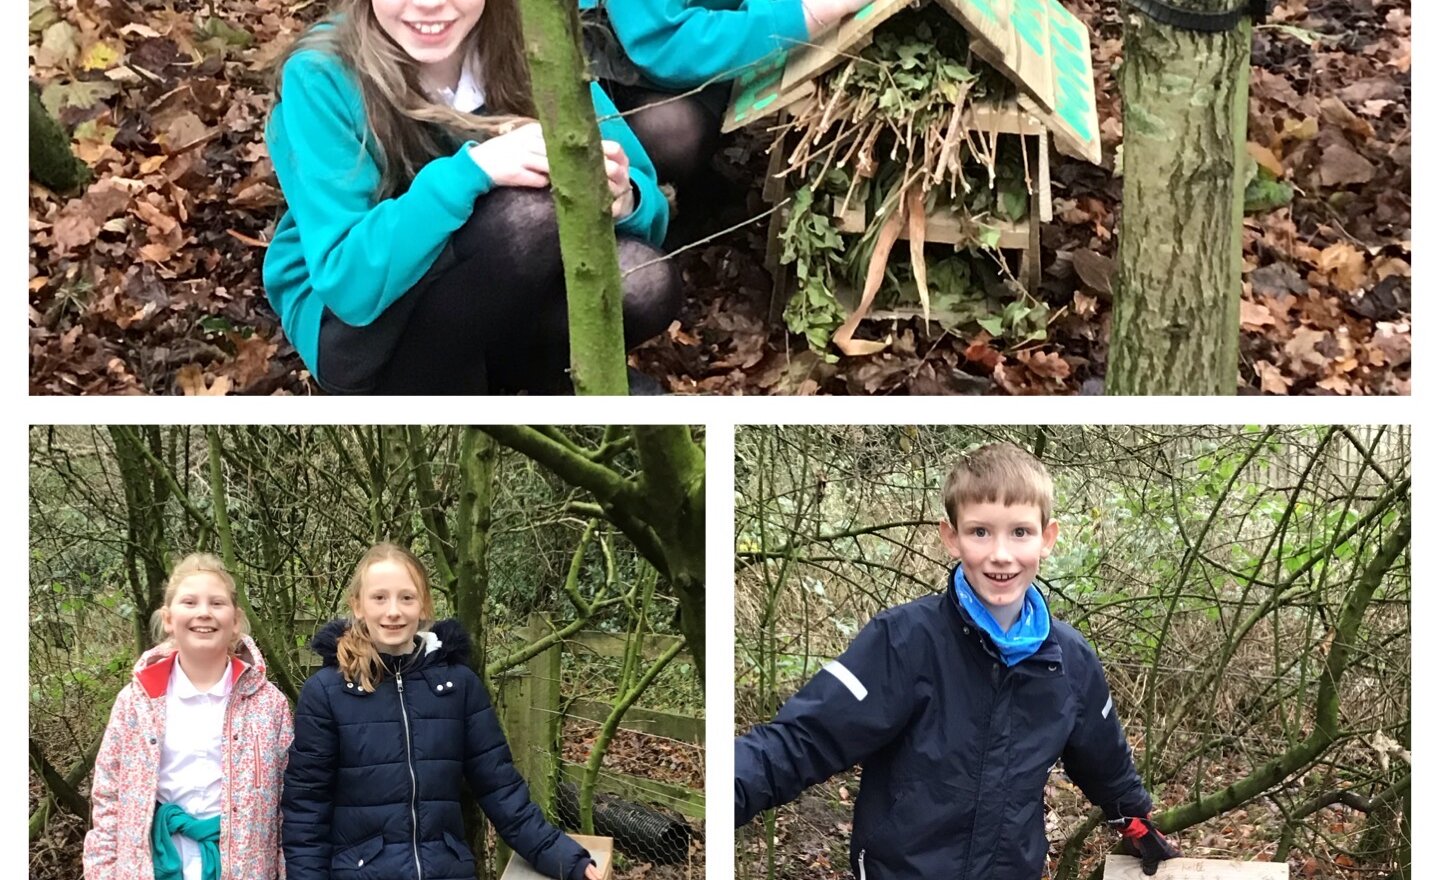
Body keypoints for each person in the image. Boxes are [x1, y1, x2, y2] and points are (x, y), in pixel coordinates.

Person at [733, 443, 1183, 879]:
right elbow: (803, 740)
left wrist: (1135, 822)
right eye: (980, 532)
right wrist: (726, 789)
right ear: (952, 537)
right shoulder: (904, 640)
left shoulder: (1070, 660)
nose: (1001, 554)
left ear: (1047, 538)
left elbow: (1104, 760)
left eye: (1020, 532)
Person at [265, 0, 680, 395]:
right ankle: (452, 401)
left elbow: (647, 195)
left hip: (495, 298)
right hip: (366, 332)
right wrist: (472, 172)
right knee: (529, 215)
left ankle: (535, 376)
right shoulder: (321, 74)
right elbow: (347, 283)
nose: (429, 5)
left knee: (644, 283)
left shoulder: (532, 45)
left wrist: (622, 197)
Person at [283, 543, 602, 880]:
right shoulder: (326, 693)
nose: (394, 611)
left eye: (407, 597)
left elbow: (501, 789)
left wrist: (564, 858)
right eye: (379, 598)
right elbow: (307, 812)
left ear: (423, 604)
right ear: (358, 605)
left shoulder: (458, 686)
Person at [83, 554, 293, 880]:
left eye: (217, 603)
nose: (203, 612)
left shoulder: (268, 705)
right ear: (168, 618)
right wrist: (102, 872)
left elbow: (287, 803)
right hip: (150, 866)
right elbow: (108, 797)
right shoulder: (136, 702)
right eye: (190, 602)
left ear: (236, 620)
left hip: (244, 868)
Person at [579, 0, 872, 186]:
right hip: (617, 54)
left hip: (717, 32)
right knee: (670, 131)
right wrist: (808, 13)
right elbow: (661, 43)